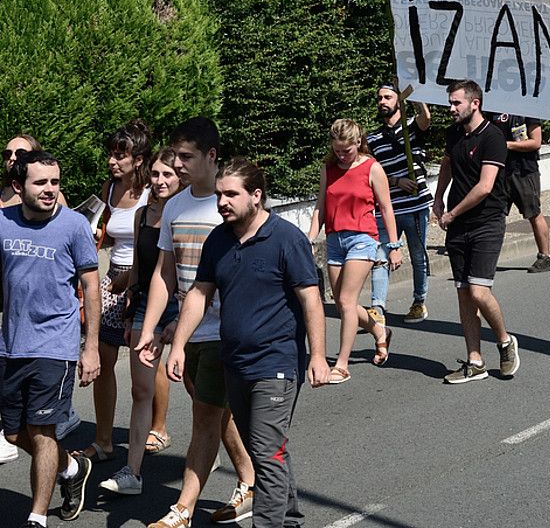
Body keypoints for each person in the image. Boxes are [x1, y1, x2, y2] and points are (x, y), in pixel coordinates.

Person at [172, 159, 328, 528]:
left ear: (256, 196)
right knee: (268, 450)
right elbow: (199, 294)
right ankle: (288, 519)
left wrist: (319, 355)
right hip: (235, 363)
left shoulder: (287, 239)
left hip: (277, 363)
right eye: (219, 195)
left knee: (264, 450)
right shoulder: (219, 240)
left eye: (231, 194)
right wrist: (178, 344)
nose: (222, 202)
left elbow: (311, 299)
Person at [136, 118, 256, 528]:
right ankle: (251, 479)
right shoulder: (176, 205)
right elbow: (164, 274)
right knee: (218, 416)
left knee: (206, 415)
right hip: (189, 331)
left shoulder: (230, 203)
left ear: (211, 156)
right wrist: (152, 327)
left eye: (187, 157)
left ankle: (181, 510)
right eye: (177, 156)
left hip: (228, 331)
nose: (179, 164)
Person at [0, 150, 100, 527]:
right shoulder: (3, 223)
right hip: (11, 344)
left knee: (43, 431)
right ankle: (73, 468)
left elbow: (90, 287)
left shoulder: (74, 225)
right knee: (14, 434)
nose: (50, 190)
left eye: (55, 182)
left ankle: (37, 516)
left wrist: (89, 348)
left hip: (54, 344)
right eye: (40, 183)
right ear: (17, 186)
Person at [99, 148, 182, 496]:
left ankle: (243, 466)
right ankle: (132, 471)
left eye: (168, 175)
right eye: (156, 174)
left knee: (204, 394)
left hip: (187, 305)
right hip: (148, 302)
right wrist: (129, 291)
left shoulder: (189, 212)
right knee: (140, 389)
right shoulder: (143, 213)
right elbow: (141, 262)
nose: (160, 181)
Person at [433, 80, 520, 384]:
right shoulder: (454, 134)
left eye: (456, 103)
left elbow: (485, 187)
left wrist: (452, 212)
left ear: (475, 103)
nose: (451, 108)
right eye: (450, 102)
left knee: (479, 291)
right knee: (463, 294)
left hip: (486, 221)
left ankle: (506, 342)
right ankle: (475, 360)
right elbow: (447, 164)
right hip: (457, 224)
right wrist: (438, 196)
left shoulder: (493, 137)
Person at [82, 120, 152, 465]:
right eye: (111, 153)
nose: (112, 160)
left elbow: (154, 239)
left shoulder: (154, 190)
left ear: (138, 159)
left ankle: (159, 427)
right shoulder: (110, 188)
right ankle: (104, 440)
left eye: (120, 155)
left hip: (145, 280)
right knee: (105, 358)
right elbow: (105, 231)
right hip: (113, 278)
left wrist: (134, 280)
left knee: (146, 359)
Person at [307, 119, 398, 383]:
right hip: (335, 239)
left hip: (363, 238)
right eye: (337, 150)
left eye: (346, 150)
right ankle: (380, 331)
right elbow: (320, 207)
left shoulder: (372, 168)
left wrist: (393, 246)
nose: (342, 155)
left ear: (358, 142)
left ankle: (342, 364)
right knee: (340, 302)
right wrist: (311, 238)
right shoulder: (329, 168)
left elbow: (386, 207)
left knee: (346, 301)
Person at [365, 85, 434, 321]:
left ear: (398, 100)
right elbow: (370, 171)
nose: (382, 101)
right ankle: (378, 308)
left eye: (388, 97)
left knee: (417, 255)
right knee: (380, 256)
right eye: (379, 98)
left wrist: (411, 90)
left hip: (416, 205)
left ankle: (419, 301)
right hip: (387, 209)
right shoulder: (372, 138)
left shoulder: (412, 127)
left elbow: (426, 118)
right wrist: (395, 180)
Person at [487, 109, 550, 274]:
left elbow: (536, 142)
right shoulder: (492, 110)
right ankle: (486, 259)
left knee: (533, 213)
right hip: (500, 171)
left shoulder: (527, 109)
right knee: (493, 215)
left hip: (524, 171)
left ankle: (546, 256)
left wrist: (507, 145)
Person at [1, 135, 67, 209]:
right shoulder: (2, 194)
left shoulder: (52, 196)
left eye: (20, 153)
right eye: (7, 154)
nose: (12, 158)